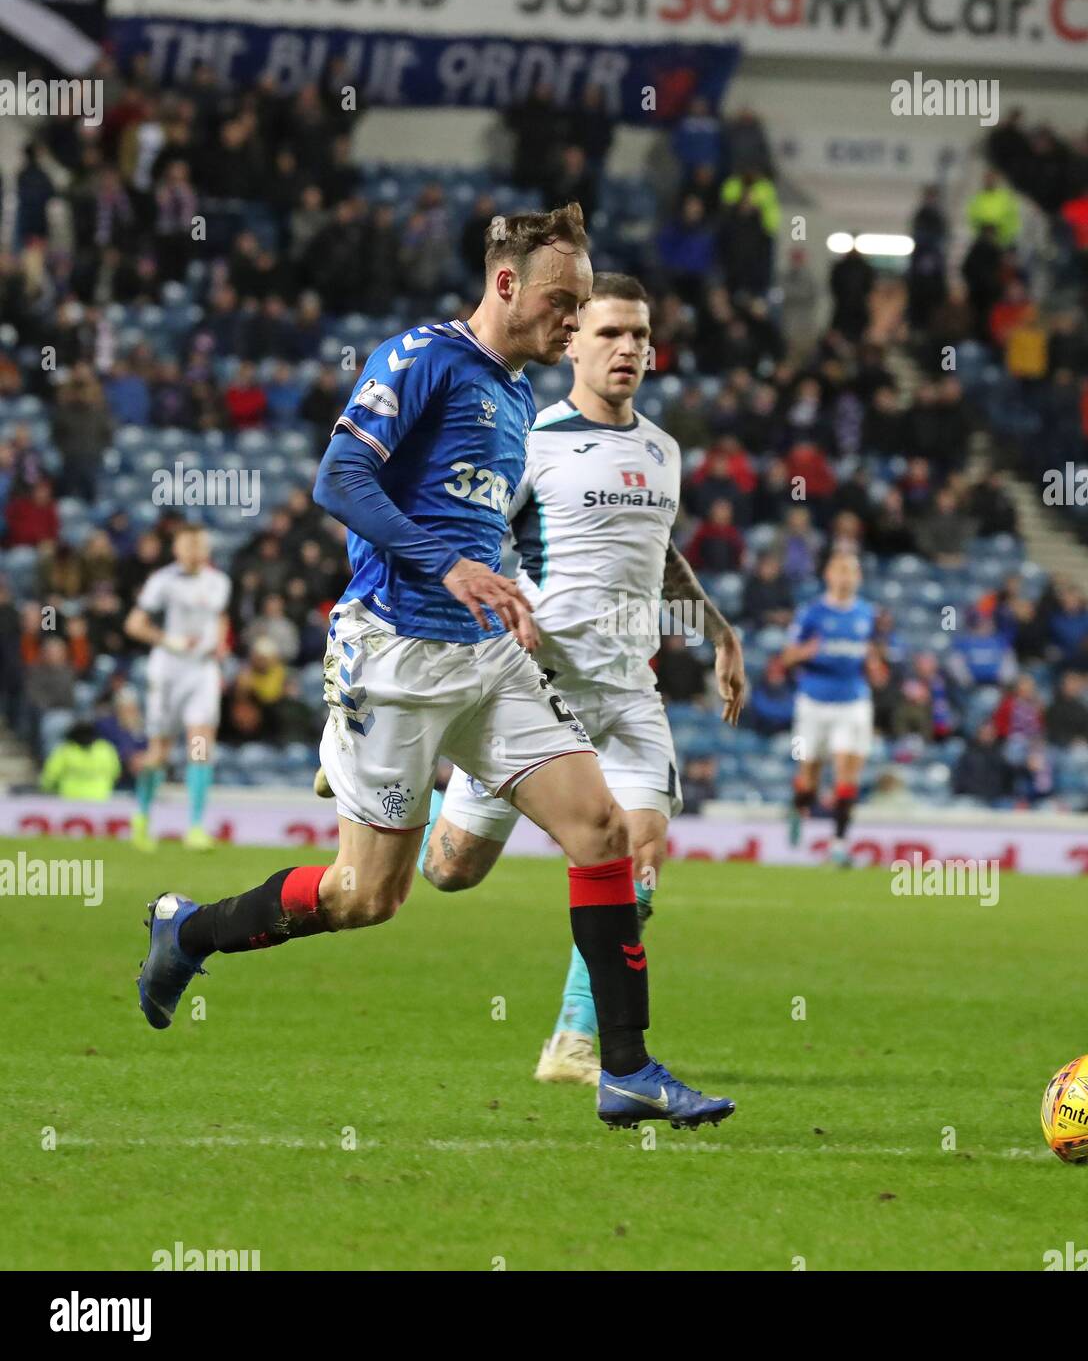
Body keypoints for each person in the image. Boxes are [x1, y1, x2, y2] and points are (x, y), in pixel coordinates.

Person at [136, 205, 735, 1132]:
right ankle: (187, 929)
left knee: (603, 832)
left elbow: (478, 517)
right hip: (393, 658)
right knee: (366, 897)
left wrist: (502, 579)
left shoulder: (517, 398)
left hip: (488, 657)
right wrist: (450, 566)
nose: (572, 325)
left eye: (585, 307)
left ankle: (624, 1069)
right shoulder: (420, 358)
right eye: (563, 304)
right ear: (505, 285)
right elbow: (338, 479)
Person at [411, 273, 745, 1086]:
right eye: (608, 333)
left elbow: (659, 554)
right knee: (450, 871)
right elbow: (469, 537)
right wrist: (506, 600)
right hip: (533, 690)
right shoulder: (531, 440)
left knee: (639, 855)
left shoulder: (663, 451)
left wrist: (719, 631)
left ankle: (574, 1042)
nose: (627, 347)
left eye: (638, 334)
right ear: (571, 344)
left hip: (630, 692)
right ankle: (393, 772)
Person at [124, 525, 231, 850]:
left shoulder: (219, 582)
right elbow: (134, 625)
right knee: (160, 750)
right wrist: (168, 639)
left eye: (200, 545)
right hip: (169, 671)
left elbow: (220, 617)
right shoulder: (163, 581)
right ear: (177, 549)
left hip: (202, 672)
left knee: (200, 745)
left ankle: (195, 827)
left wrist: (220, 644)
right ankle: (141, 817)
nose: (196, 551)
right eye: (189, 545)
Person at [782, 551, 874, 868]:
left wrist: (875, 664)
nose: (846, 576)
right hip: (814, 702)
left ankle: (839, 845)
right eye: (841, 570)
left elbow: (873, 653)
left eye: (852, 570)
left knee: (847, 771)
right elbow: (786, 657)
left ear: (858, 577)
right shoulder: (812, 614)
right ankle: (799, 807)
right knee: (810, 775)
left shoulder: (867, 614)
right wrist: (805, 651)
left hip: (853, 701)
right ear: (829, 575)